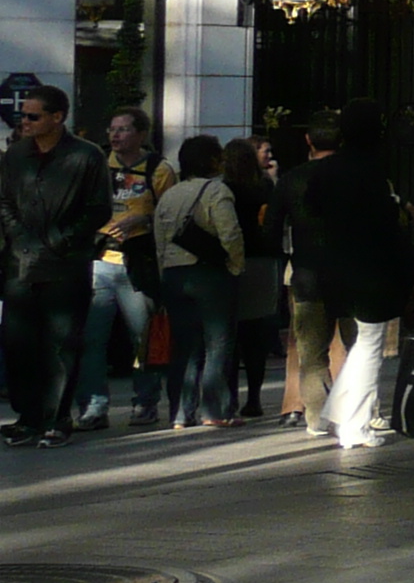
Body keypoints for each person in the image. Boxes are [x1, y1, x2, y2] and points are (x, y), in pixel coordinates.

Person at [299, 100, 412, 450]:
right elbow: (385, 222)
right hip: (370, 268)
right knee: (368, 344)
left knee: (364, 342)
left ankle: (341, 412)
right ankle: (355, 425)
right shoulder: (372, 169)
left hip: (333, 266)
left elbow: (311, 211)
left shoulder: (326, 170)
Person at [2, 86, 110, 446]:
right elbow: (4, 202)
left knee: (61, 345)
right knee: (19, 344)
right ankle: (27, 417)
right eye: (24, 115)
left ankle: (56, 419)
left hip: (65, 266)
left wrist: (62, 240)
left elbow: (98, 209)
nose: (25, 121)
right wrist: (20, 237)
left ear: (57, 118)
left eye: (33, 116)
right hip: (21, 264)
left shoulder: (87, 156)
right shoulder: (16, 155)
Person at [83, 107, 174, 431]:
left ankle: (145, 403)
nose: (115, 136)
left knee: (142, 338)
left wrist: (143, 220)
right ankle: (93, 406)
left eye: (122, 129)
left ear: (140, 134)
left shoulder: (158, 169)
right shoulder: (97, 165)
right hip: (99, 261)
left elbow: (169, 215)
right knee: (91, 339)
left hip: (138, 264)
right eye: (111, 129)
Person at [153, 134, 244, 428]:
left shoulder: (169, 195)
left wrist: (163, 273)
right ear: (212, 161)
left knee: (185, 345)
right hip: (209, 274)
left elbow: (159, 241)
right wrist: (235, 265)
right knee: (217, 343)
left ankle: (180, 412)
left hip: (174, 275)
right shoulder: (217, 191)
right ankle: (214, 409)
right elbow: (229, 232)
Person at [278, 115, 343, 431]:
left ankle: (317, 418)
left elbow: (270, 229)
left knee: (311, 354)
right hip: (351, 274)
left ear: (308, 141)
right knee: (358, 348)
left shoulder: (291, 179)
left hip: (307, 274)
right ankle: (355, 411)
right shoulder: (357, 176)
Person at [222, 137, 283, 421]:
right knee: (256, 333)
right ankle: (255, 398)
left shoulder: (223, 188)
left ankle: (230, 397)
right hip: (263, 259)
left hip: (232, 261)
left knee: (230, 335)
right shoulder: (265, 185)